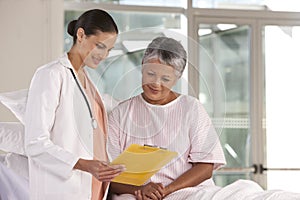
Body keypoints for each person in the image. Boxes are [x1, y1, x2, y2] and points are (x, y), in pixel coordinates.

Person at [107, 36, 226, 200]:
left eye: (165, 79)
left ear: (177, 79)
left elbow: (206, 165)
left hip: (185, 192)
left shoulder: (191, 108)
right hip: (136, 194)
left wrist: (166, 191)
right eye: (151, 74)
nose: (156, 83)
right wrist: (141, 189)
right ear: (142, 67)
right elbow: (108, 175)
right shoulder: (120, 114)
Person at [25, 9, 125, 200]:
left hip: (93, 188)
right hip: (64, 189)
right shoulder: (51, 75)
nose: (104, 55)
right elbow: (34, 142)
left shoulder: (87, 80)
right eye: (100, 46)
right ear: (81, 35)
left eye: (109, 50)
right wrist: (84, 164)